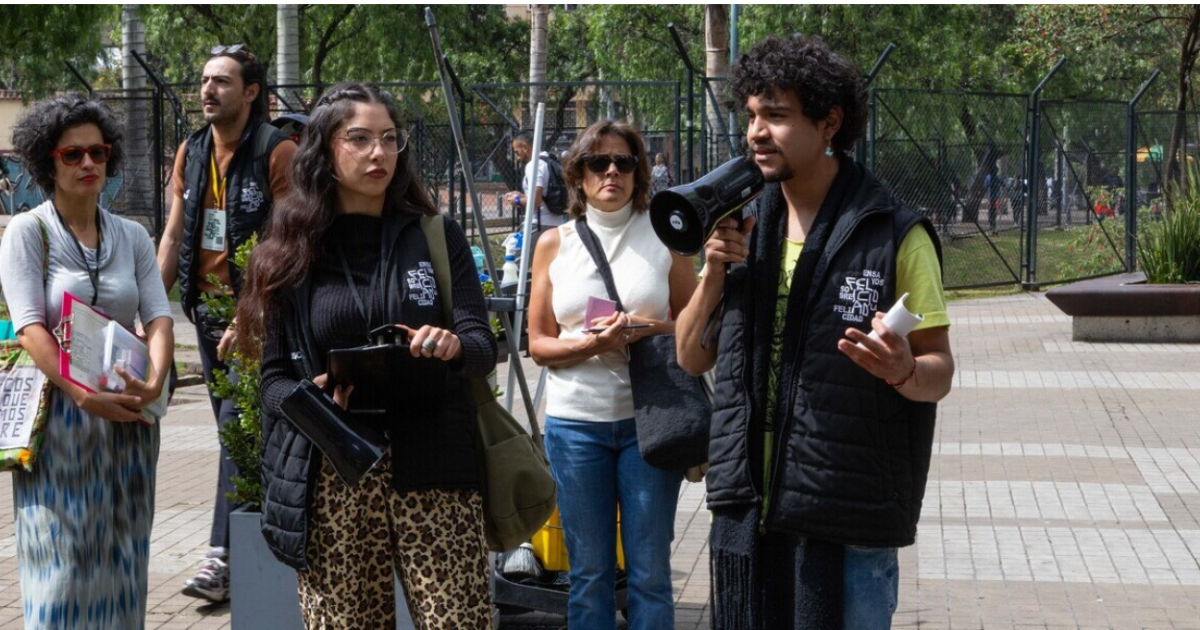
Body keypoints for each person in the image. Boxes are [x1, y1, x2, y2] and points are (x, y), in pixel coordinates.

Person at [675, 36, 954, 629]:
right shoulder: (742, 223)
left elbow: (940, 373)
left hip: (848, 518)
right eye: (751, 115)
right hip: (749, 514)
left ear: (829, 122)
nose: (756, 132)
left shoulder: (894, 233)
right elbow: (691, 357)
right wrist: (714, 274)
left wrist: (903, 368)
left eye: (776, 115)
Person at [236, 83, 497, 629]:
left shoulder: (434, 235)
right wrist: (316, 398)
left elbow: (481, 345)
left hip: (435, 466)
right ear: (326, 150)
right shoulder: (288, 250)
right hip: (338, 472)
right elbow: (275, 380)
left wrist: (451, 346)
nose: (378, 152)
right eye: (359, 139)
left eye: (389, 139)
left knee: (460, 622)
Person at [0, 93, 174, 629]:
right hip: (63, 423)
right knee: (63, 569)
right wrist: (81, 394)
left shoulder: (132, 236)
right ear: (46, 161)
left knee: (124, 561)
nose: (88, 165)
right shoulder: (29, 231)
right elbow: (29, 327)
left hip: (128, 417)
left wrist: (155, 383)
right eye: (71, 155)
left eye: (97, 153)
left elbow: (160, 318)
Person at [527, 120, 698, 630]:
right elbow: (538, 342)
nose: (611, 172)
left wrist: (651, 328)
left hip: (650, 424)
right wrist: (591, 343)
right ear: (577, 176)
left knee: (649, 573)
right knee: (590, 574)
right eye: (597, 163)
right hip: (576, 425)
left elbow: (694, 327)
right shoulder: (553, 244)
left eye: (623, 162)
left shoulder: (664, 235)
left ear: (638, 172)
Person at [155, 43, 296, 604]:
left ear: (252, 91)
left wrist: (252, 312)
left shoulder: (276, 151)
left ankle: (221, 557)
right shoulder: (190, 152)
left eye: (222, 81)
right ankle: (257, 546)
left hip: (259, 316)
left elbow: (287, 243)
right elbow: (172, 234)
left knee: (238, 432)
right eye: (205, 79)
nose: (208, 90)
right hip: (207, 315)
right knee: (233, 434)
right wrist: (150, 307)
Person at [504, 130, 566, 257]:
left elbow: (536, 201)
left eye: (517, 152)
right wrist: (522, 195)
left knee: (513, 262)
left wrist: (516, 200)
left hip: (538, 224)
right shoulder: (548, 160)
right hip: (557, 222)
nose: (517, 157)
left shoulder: (534, 165)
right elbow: (543, 195)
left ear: (525, 147)